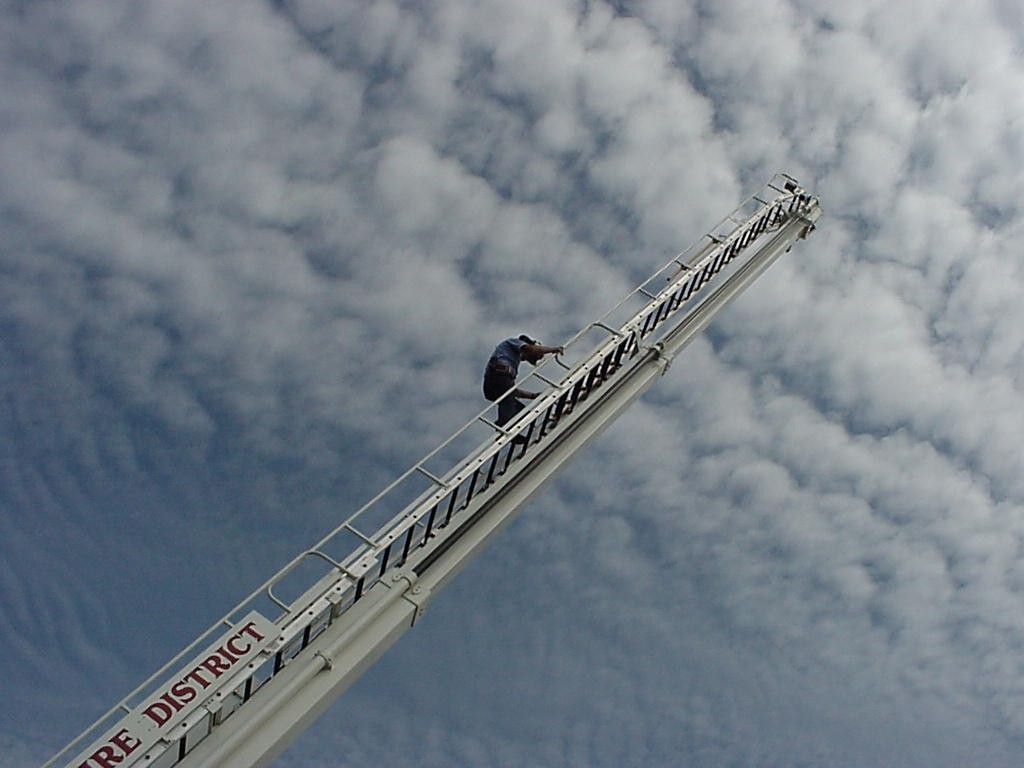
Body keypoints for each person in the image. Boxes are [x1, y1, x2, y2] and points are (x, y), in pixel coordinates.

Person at [483, 334, 564, 428]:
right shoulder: (514, 343)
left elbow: (512, 391)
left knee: (519, 409)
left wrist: (533, 396)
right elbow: (530, 349)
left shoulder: (512, 358)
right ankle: (504, 423)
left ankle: (509, 429)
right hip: (499, 370)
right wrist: (552, 350)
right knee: (508, 401)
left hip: (491, 385)